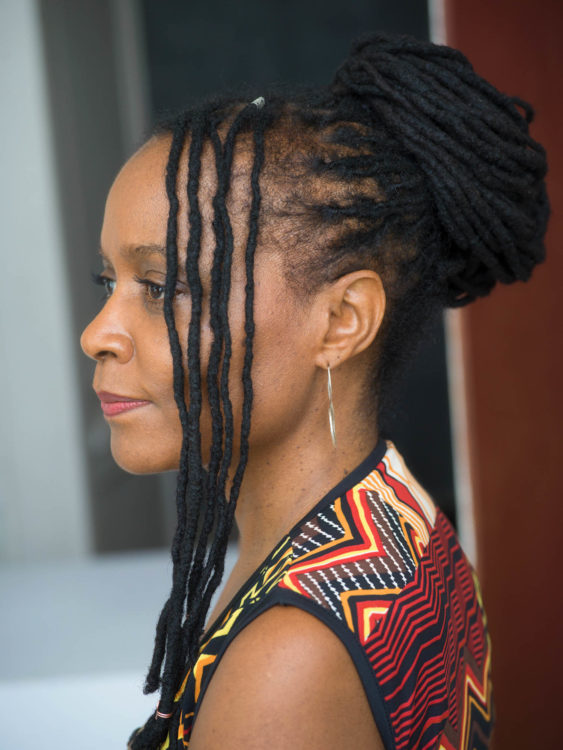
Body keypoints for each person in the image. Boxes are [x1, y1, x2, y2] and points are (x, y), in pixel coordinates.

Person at [80, 33, 548, 750]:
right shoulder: (399, 513)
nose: (99, 334)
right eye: (107, 283)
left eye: (164, 286)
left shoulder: (287, 664)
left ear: (340, 322)